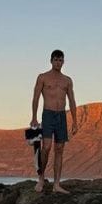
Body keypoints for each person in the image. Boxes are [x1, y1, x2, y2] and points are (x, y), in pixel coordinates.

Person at [30, 49, 78, 193]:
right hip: (48, 114)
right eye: (56, 60)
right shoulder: (43, 77)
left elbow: (72, 100)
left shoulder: (67, 80)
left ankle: (57, 184)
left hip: (61, 115)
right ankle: (41, 178)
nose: (58, 62)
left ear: (63, 62)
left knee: (60, 149)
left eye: (60, 60)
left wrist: (75, 121)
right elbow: (36, 97)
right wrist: (33, 117)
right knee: (46, 147)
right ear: (51, 61)